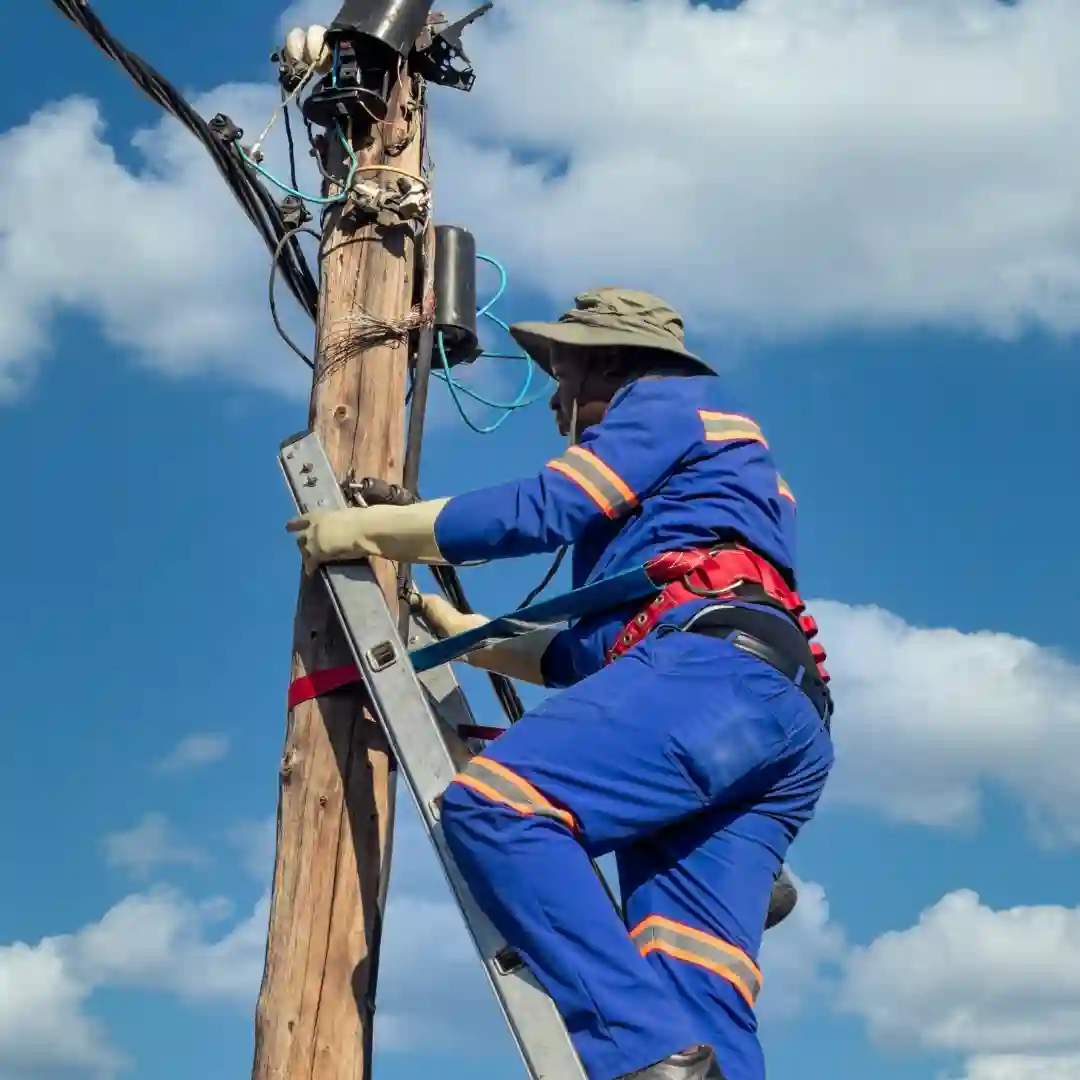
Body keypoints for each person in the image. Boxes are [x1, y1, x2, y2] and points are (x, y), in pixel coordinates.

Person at [287, 288, 835, 1080]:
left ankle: (638, 1057)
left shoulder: (668, 402)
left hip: (714, 673)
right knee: (693, 976)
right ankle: (669, 1050)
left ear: (608, 364)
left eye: (563, 371)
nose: (555, 399)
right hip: (774, 707)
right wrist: (461, 636)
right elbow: (589, 657)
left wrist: (365, 529)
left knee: (497, 809)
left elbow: (544, 508)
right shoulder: (704, 502)